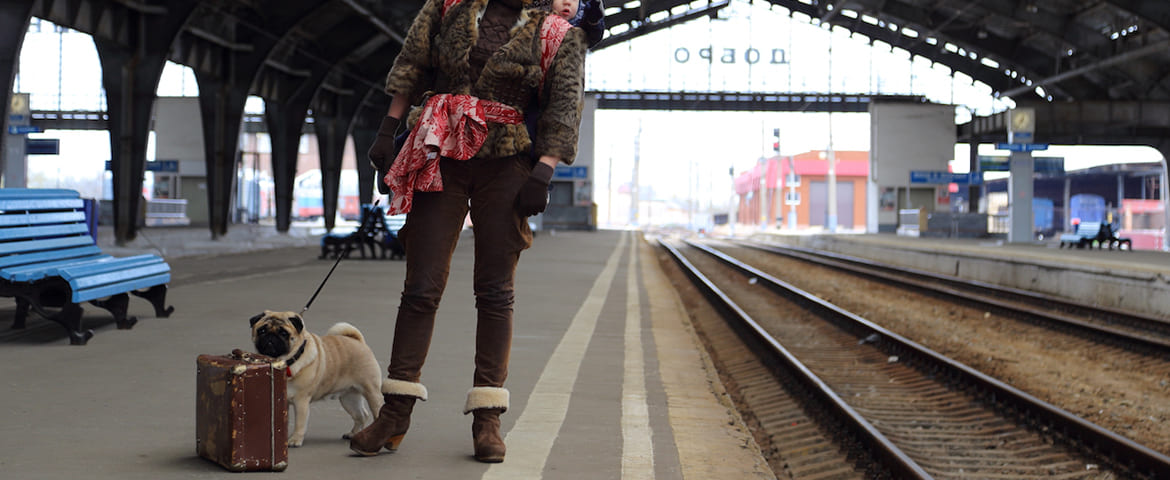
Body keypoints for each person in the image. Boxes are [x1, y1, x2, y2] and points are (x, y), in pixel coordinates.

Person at [350, 0, 588, 464]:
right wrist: (387, 129)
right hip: (440, 153)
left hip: (508, 163)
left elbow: (564, 107)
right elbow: (412, 65)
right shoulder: (448, 7)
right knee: (420, 287)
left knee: (496, 292)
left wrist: (543, 171)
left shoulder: (558, 33)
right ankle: (395, 413)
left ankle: (487, 418)